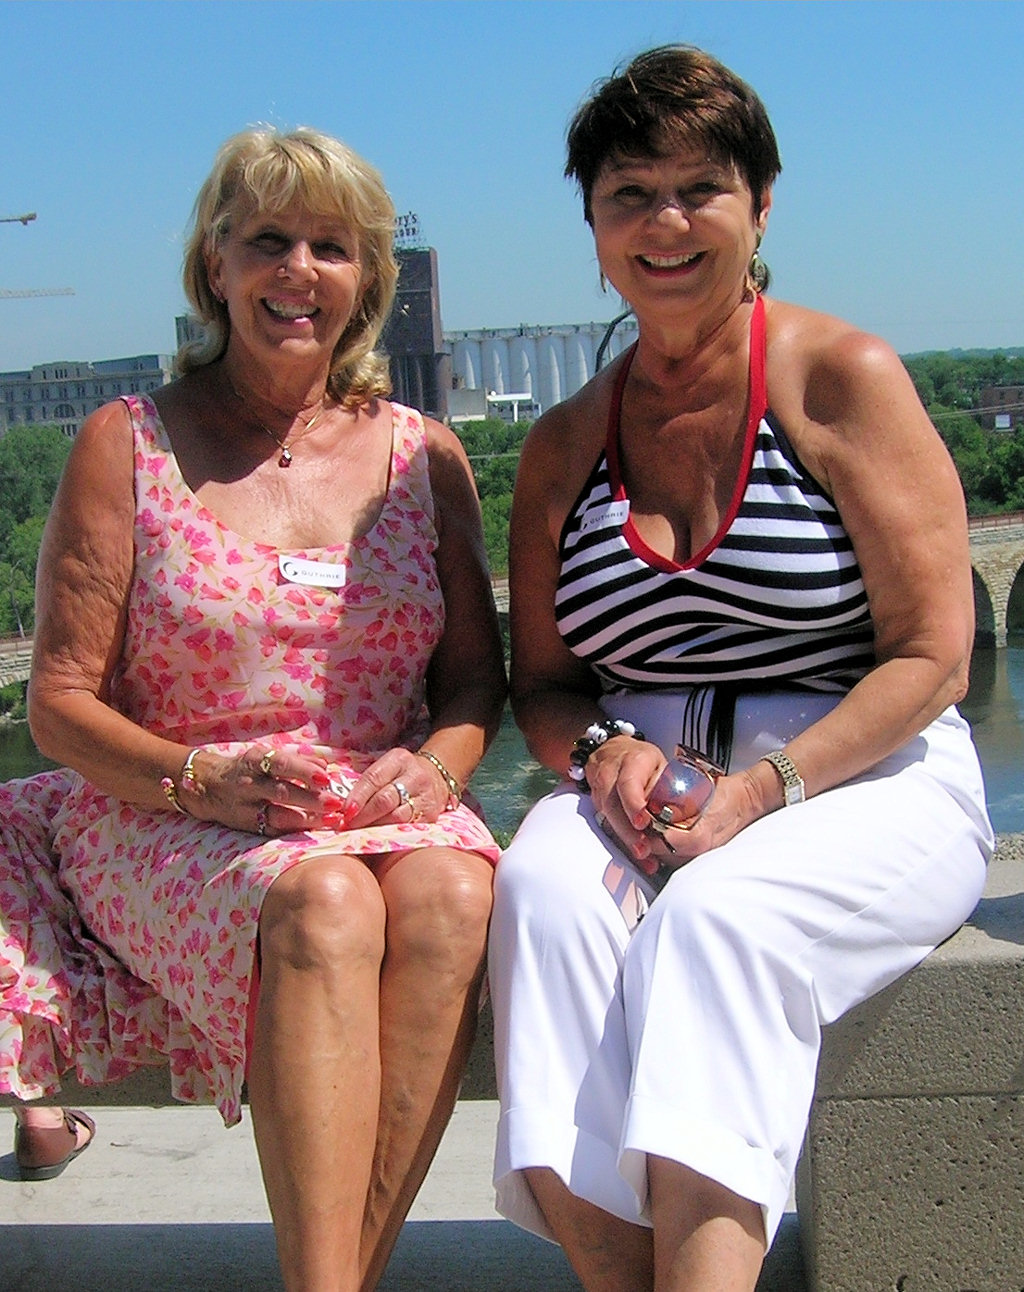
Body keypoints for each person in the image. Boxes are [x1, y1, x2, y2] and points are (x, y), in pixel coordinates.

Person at [488, 45, 992, 1292]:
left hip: (860, 773)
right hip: (641, 783)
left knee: (716, 921)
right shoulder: (563, 442)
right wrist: (601, 752)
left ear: (760, 205)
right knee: (541, 897)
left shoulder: (841, 380)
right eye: (629, 194)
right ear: (593, 225)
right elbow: (541, 684)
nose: (663, 222)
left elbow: (935, 653)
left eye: (697, 188)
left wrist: (763, 791)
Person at [1, 126, 506, 1291]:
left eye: (332, 246)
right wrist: (198, 776)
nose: (299, 270)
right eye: (270, 240)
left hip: (382, 807)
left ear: (366, 279)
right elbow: (60, 702)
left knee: (453, 894)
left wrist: (438, 765)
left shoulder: (425, 456)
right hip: (165, 810)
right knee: (326, 901)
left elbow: (475, 682)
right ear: (215, 264)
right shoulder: (126, 442)